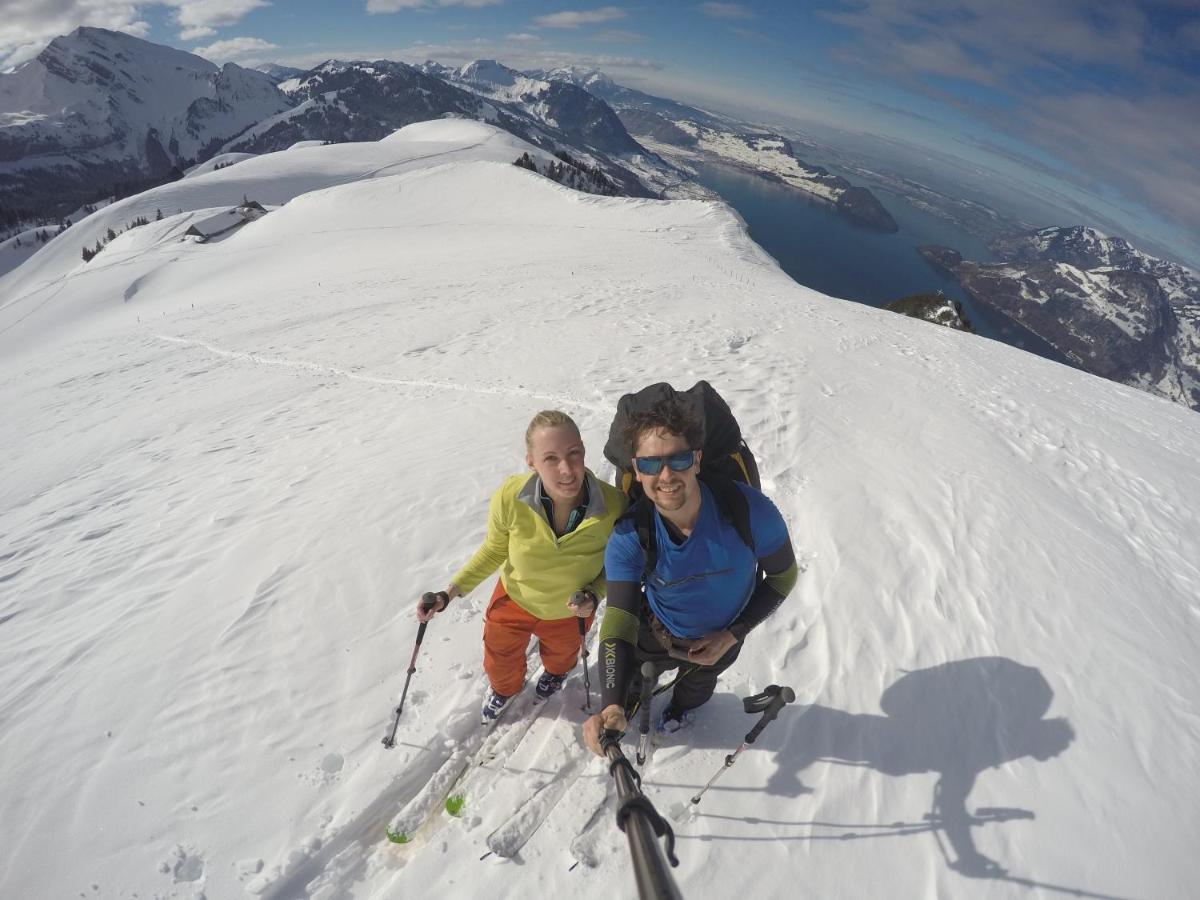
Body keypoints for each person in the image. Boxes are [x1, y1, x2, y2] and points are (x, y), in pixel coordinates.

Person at [582, 394, 798, 755]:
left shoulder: (750, 512)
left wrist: (730, 635)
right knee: (634, 684)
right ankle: (632, 708)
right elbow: (619, 622)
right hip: (656, 631)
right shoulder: (630, 537)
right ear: (635, 469)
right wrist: (612, 705)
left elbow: (783, 578)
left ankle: (682, 709)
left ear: (696, 459)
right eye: (651, 464)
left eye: (678, 459)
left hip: (726, 635)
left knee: (698, 686)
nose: (666, 476)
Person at [417, 410, 627, 723]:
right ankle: (504, 690)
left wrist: (594, 595)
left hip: (569, 612)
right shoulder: (511, 496)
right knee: (499, 661)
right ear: (531, 462)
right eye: (551, 458)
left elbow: (618, 565)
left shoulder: (613, 506)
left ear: (584, 450)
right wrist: (449, 593)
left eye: (574, 454)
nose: (567, 469)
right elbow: (494, 549)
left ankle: (555, 675)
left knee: (561, 658)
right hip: (514, 600)